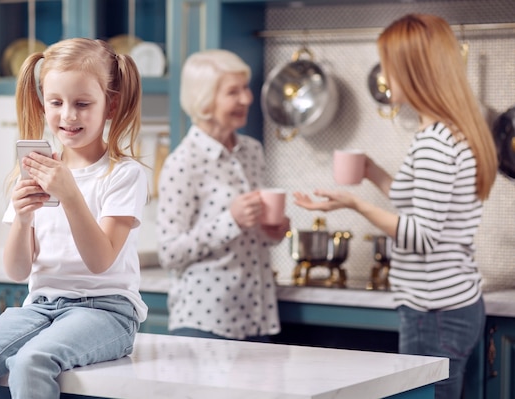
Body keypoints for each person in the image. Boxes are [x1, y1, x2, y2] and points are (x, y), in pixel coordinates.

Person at [294, 14, 498, 399]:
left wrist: (355, 204)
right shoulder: (450, 133)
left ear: (414, 72)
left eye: (390, 66)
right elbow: (422, 202)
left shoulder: (435, 143)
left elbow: (421, 236)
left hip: (434, 312)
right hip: (454, 305)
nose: (386, 76)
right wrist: (373, 173)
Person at [0, 38, 148, 398]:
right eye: (56, 102)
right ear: (43, 103)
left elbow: (100, 260)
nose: (68, 115)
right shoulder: (38, 171)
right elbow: (17, 271)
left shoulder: (123, 174)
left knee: (31, 362)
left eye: (82, 104)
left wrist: (70, 195)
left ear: (111, 105)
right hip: (41, 305)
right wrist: (23, 220)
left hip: (107, 311)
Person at [156, 49, 290, 342]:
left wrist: (273, 231)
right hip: (205, 324)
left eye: (245, 88)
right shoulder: (183, 163)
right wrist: (230, 220)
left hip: (257, 318)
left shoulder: (252, 151)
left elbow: (252, 236)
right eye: (233, 91)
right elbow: (169, 253)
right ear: (204, 100)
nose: (246, 98)